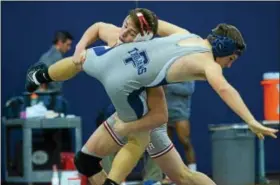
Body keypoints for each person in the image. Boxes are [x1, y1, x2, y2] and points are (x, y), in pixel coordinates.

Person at [25, 10, 279, 185]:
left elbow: (152, 23)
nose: (229, 65)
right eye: (231, 59)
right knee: (103, 154)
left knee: (178, 172)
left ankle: (40, 76)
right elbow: (224, 89)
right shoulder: (206, 60)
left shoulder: (187, 35)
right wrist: (251, 120)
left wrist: (135, 25)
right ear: (223, 48)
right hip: (132, 94)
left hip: (126, 85)